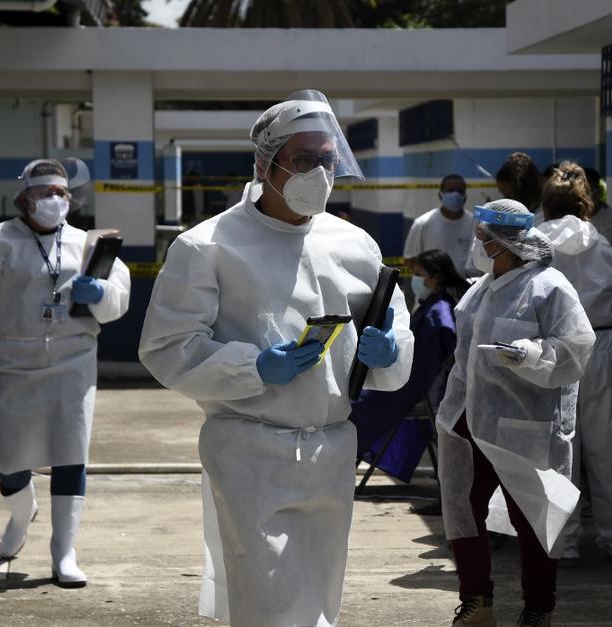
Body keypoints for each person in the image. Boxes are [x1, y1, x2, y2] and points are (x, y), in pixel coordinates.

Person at [137, 89, 414, 627]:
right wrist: (253, 367)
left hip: (333, 446)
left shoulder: (353, 243)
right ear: (265, 164)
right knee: (267, 601)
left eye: (327, 159)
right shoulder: (208, 246)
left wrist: (390, 351)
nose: (320, 173)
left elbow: (393, 325)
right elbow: (167, 347)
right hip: (251, 448)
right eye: (304, 160)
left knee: (319, 595)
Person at [0, 158, 131, 587]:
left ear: (71, 199)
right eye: (43, 193)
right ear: (24, 199)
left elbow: (120, 294)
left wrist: (101, 291)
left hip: (73, 361)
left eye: (60, 194)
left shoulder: (87, 244)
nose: (52, 201)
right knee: (10, 457)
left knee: (71, 451)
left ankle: (63, 552)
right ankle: (20, 512)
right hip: (12, 363)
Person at [438, 199, 595, 627]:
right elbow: (463, 359)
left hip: (525, 426)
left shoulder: (549, 288)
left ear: (505, 242)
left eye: (484, 236)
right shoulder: (479, 291)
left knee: (534, 519)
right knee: (464, 510)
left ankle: (538, 608)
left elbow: (578, 348)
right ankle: (476, 602)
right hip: (469, 422)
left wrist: (532, 353)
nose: (477, 241)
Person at [538, 162, 612, 566]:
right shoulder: (601, 242)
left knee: (557, 451)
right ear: (585, 207)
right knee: (611, 445)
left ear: (545, 206)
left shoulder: (534, 244)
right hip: (604, 345)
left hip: (555, 351)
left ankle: (563, 542)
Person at [350, 249, 470, 482]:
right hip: (408, 377)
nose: (416, 280)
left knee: (355, 406)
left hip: (410, 384)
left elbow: (421, 367)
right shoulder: (434, 305)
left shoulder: (439, 314)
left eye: (419, 274)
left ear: (434, 277)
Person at [403, 173, 476, 277]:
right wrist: (429, 281)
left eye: (459, 191)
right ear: (440, 195)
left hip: (465, 289)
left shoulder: (475, 224)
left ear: (465, 197)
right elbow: (410, 259)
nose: (455, 194)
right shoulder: (422, 223)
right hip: (431, 290)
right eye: (450, 190)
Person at [581, 166, 612, 256]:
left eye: (586, 192)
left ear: (598, 193)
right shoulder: (573, 218)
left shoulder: (611, 219)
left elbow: (601, 254)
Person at [495, 152, 544, 226]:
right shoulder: (511, 218)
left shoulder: (545, 220)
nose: (506, 202)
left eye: (508, 195)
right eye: (504, 196)